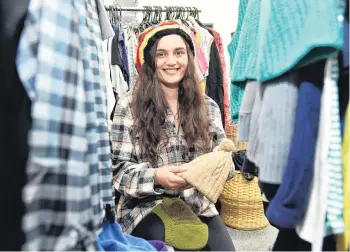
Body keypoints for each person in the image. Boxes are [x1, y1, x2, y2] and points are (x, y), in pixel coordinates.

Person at [111, 21, 235, 251]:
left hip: (197, 204)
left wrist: (212, 168)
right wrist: (156, 176)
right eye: (162, 54)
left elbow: (226, 167)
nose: (171, 62)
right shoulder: (128, 106)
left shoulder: (208, 107)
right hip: (146, 205)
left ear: (189, 57)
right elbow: (118, 170)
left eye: (179, 53)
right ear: (151, 61)